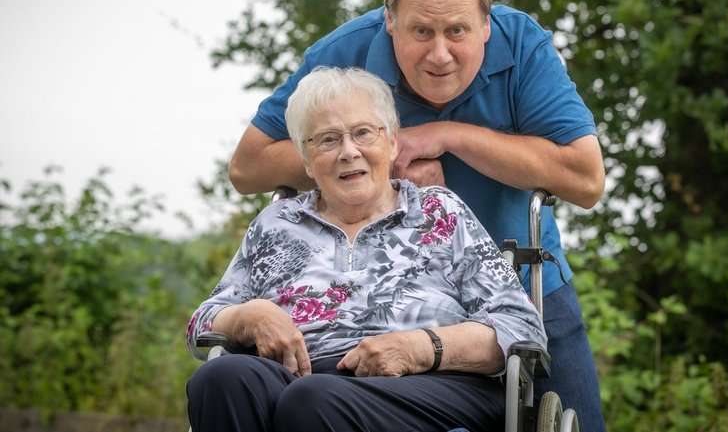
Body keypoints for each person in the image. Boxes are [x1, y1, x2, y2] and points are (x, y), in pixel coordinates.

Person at [227, 0, 607, 429]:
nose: (440, 54)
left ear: (487, 24)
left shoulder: (523, 46)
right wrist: (380, 156)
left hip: (515, 278)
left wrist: (445, 137)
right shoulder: (343, 54)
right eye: (421, 31)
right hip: (376, 295)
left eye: (457, 31)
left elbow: (586, 179)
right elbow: (248, 168)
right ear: (390, 22)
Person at [187, 66, 547, 432]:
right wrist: (251, 314)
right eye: (327, 140)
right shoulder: (277, 222)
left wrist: (419, 348)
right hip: (301, 378)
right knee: (221, 377)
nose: (348, 151)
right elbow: (204, 322)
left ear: (391, 143)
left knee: (313, 398)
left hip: (429, 386)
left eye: (363, 133)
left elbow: (521, 326)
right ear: (307, 161)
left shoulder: (439, 211)